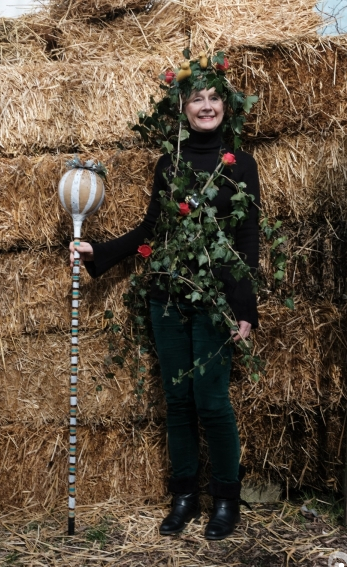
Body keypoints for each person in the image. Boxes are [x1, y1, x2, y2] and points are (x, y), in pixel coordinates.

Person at [70, 52, 260, 540]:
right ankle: (183, 497)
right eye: (196, 97)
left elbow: (247, 240)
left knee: (212, 400)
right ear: (182, 107)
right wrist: (101, 251)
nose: (206, 105)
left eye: (214, 97)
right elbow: (151, 228)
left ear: (226, 107)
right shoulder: (169, 163)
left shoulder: (240, 166)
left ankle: (225, 500)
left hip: (215, 301)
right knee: (178, 399)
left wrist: (244, 309)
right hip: (168, 297)